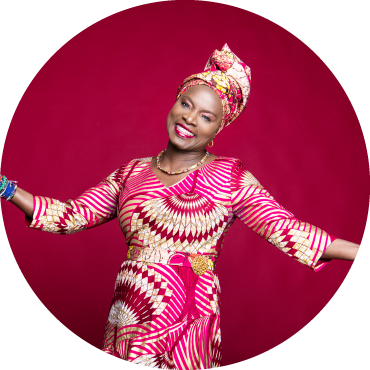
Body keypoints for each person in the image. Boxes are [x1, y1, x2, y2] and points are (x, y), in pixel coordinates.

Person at [0, 44, 360, 369]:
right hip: (129, 312)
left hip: (189, 315)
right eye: (187, 104)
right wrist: (6, 189)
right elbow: (69, 216)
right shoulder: (131, 172)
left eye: (206, 116)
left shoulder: (229, 176)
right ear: (174, 103)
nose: (190, 118)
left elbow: (287, 229)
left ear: (218, 128)